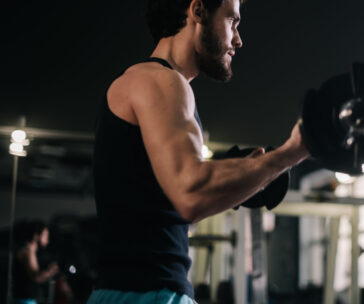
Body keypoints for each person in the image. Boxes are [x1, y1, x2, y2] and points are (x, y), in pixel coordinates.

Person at [89, 0, 309, 303]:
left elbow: (173, 213)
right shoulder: (161, 81)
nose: (238, 39)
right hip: (149, 295)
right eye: (232, 21)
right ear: (198, 11)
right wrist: (291, 153)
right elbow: (191, 193)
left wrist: (243, 175)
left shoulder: (154, 83)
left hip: (132, 292)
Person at [12, 221, 59, 304]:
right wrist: (51, 271)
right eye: (45, 235)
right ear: (36, 236)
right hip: (24, 301)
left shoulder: (29, 251)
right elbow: (36, 277)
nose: (47, 240)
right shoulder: (28, 251)